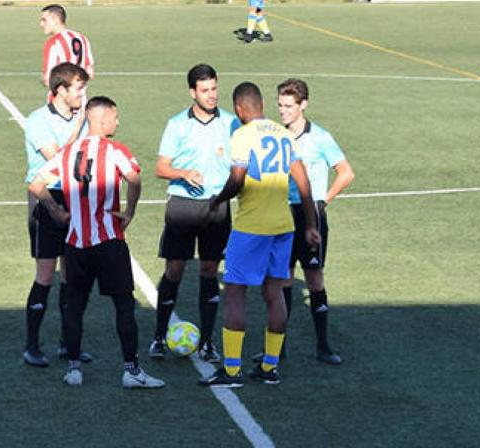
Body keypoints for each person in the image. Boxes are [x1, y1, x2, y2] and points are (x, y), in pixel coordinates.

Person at [29, 96, 164, 389]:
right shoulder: (116, 150)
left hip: (75, 243)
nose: (117, 122)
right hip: (108, 240)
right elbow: (135, 179)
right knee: (124, 305)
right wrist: (129, 211)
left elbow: (36, 184)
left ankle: (74, 369)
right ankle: (131, 370)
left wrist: (58, 212)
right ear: (102, 119)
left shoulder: (67, 153)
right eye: (115, 117)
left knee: (75, 305)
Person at [199, 82, 320, 388]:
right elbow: (303, 182)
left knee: (236, 294)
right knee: (274, 293)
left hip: (251, 227)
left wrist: (218, 199)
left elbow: (237, 178)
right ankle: (269, 366)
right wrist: (310, 224)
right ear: (262, 104)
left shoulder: (242, 135)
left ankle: (232, 369)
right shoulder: (283, 134)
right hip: (283, 226)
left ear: (240, 109)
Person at [148, 64, 238, 364]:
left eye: (214, 88)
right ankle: (159, 337)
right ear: (192, 92)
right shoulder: (176, 124)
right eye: (205, 90)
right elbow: (161, 168)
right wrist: (183, 173)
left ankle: (208, 342)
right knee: (175, 269)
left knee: (209, 270)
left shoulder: (231, 122)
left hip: (217, 206)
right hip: (183, 205)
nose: (212, 95)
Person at [276, 78, 354, 365]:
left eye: (288, 106)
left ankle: (323, 346)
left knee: (313, 277)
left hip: (310, 215)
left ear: (303, 105)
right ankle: (278, 348)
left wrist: (322, 201)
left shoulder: (320, 137)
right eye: (280, 105)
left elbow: (345, 173)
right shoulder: (276, 136)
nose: (282, 111)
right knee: (282, 277)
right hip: (282, 214)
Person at [22, 63, 91, 367]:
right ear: (60, 90)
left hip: (76, 199)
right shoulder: (38, 120)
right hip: (46, 199)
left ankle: (68, 344)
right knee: (46, 275)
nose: (82, 94)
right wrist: (77, 130)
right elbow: (60, 160)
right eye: (78, 88)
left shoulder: (84, 120)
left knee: (73, 275)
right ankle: (32, 346)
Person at [40, 4, 94, 99]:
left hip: (60, 101)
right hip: (80, 100)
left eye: (44, 20)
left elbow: (48, 80)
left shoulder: (53, 43)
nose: (41, 24)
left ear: (55, 20)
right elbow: (90, 72)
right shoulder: (82, 38)